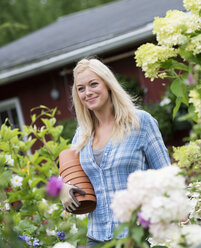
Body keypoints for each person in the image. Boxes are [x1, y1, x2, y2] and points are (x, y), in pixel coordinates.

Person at [59, 57, 171, 247]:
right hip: (96, 238)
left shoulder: (140, 122)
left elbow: (166, 176)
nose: (88, 92)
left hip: (136, 236)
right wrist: (64, 189)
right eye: (81, 88)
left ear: (108, 85)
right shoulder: (82, 134)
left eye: (93, 84)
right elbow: (71, 176)